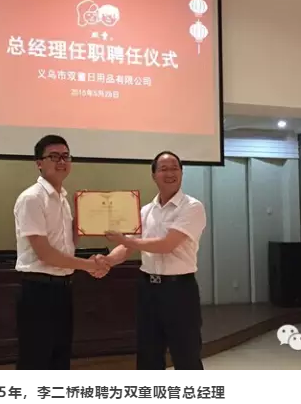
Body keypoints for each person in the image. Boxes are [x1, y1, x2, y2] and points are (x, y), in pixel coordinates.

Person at [102, 151, 207, 370]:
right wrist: (107, 261)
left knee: (186, 356)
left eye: (175, 168)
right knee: (148, 355)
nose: (170, 173)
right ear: (153, 175)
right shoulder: (145, 211)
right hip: (147, 288)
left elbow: (166, 245)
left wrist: (125, 240)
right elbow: (128, 245)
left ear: (182, 173)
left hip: (179, 290)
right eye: (163, 169)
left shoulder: (192, 207)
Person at [14, 134, 110, 370]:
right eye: (54, 156)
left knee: (60, 359)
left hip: (63, 288)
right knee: (36, 361)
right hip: (38, 291)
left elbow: (68, 244)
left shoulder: (64, 199)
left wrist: (86, 218)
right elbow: (45, 254)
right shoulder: (32, 198)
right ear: (39, 163)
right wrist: (89, 265)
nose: (61, 161)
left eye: (66, 156)